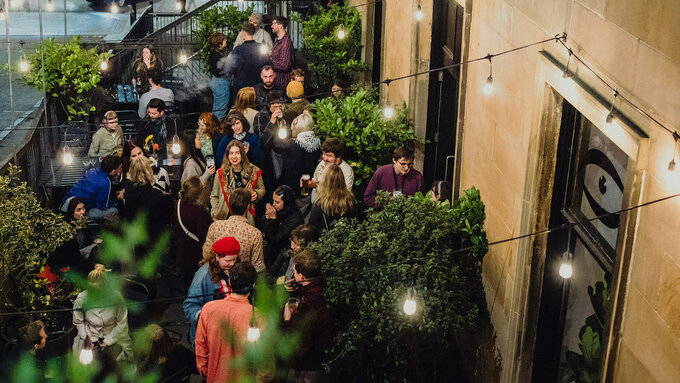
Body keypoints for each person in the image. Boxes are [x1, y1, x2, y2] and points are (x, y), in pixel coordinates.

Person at [195, 262, 258, 383]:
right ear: (253, 285)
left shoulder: (208, 309)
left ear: (229, 281)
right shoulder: (257, 316)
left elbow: (200, 345)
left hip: (214, 377)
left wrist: (204, 372)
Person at [283, 248, 331, 383]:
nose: (293, 274)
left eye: (295, 271)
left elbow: (295, 343)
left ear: (302, 276)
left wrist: (287, 319)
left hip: (305, 368)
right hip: (318, 361)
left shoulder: (307, 305)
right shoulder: (320, 289)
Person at [183, 236, 241, 345]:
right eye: (228, 260)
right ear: (217, 257)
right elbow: (189, 306)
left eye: (235, 259)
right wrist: (206, 317)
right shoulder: (203, 275)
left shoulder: (234, 268)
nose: (233, 264)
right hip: (210, 337)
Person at [73, 264, 133, 361]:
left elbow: (122, 324)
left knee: (118, 367)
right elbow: (79, 322)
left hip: (114, 337)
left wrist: (108, 341)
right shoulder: (81, 299)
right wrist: (87, 338)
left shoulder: (116, 297)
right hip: (90, 337)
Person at [119, 156, 172, 255]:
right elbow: (165, 220)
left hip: (137, 242)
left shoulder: (128, 195)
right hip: (155, 243)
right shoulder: (158, 196)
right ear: (149, 171)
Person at [203, 188, 265, 272]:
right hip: (242, 280)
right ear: (248, 207)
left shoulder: (215, 226)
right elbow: (258, 267)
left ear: (230, 204)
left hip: (216, 277)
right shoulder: (255, 234)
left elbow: (206, 254)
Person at [174, 176, 213, 289]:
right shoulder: (199, 211)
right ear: (199, 194)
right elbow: (204, 235)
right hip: (195, 252)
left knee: (187, 281)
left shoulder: (178, 204)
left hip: (181, 249)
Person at [210, 140, 265, 221]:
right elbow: (214, 196)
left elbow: (262, 189)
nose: (234, 157)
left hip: (246, 218)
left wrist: (257, 194)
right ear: (227, 155)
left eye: (237, 153)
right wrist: (215, 212)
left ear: (242, 154)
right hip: (225, 217)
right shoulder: (221, 173)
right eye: (231, 153)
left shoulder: (254, 170)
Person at [62, 155, 122, 221]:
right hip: (77, 211)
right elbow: (102, 206)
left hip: (65, 202)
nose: (119, 171)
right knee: (114, 210)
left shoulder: (92, 171)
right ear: (113, 171)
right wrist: (116, 199)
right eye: (119, 169)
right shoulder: (105, 183)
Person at [272, 112, 320, 194]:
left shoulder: (292, 144)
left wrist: (283, 129)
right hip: (310, 185)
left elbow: (276, 146)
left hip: (292, 187)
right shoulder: (318, 143)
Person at [221, 22, 270, 94]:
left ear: (243, 33)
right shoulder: (261, 48)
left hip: (241, 88)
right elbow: (268, 66)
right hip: (259, 87)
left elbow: (229, 69)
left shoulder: (238, 50)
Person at [263, 186, 304, 268]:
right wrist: (266, 217)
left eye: (277, 202)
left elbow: (274, 239)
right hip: (271, 254)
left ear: (287, 202)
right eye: (273, 201)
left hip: (283, 258)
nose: (273, 205)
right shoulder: (280, 211)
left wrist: (272, 220)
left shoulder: (295, 220)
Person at [309, 164, 357, 230]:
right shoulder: (351, 199)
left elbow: (313, 228)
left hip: (327, 239)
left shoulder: (319, 204)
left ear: (325, 180)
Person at [208, 32, 230, 120]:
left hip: (216, 81)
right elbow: (222, 71)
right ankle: (216, 130)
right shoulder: (217, 55)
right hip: (221, 82)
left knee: (217, 107)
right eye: (224, 39)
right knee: (221, 110)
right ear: (219, 42)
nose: (226, 41)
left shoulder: (214, 53)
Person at [270, 15, 294, 90]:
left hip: (282, 82)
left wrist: (269, 61)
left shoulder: (285, 42)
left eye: (274, 23)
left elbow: (284, 65)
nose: (271, 26)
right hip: (277, 80)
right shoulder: (277, 39)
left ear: (280, 26)